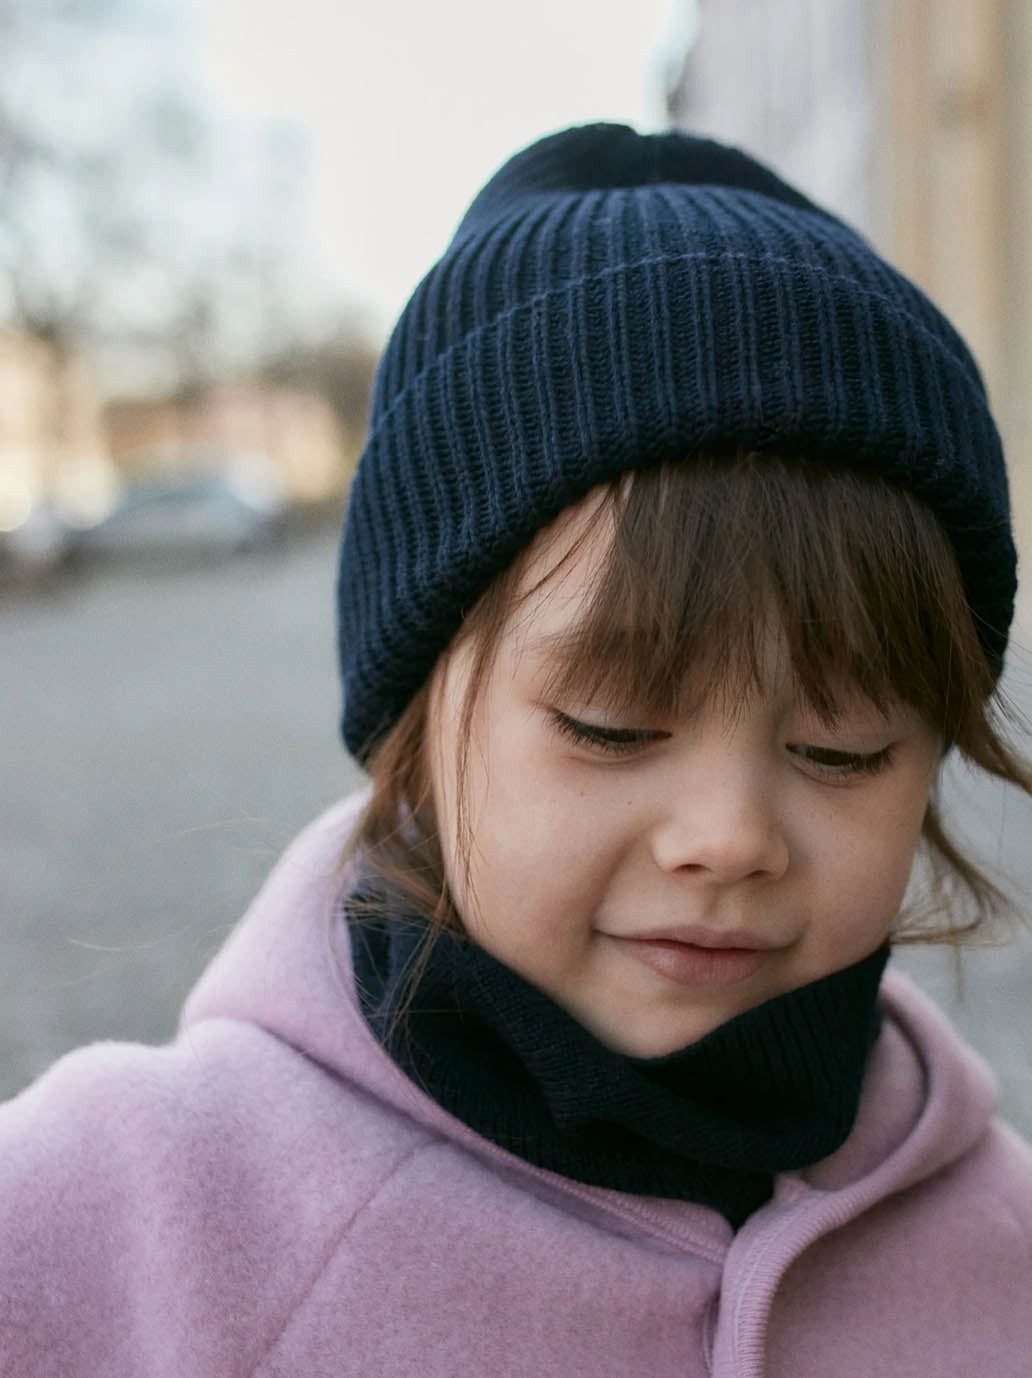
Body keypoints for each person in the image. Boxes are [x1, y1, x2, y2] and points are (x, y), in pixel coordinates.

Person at [2, 123, 1030, 1377]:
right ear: (418, 720)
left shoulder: (1001, 1241)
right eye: (611, 725)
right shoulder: (116, 1219)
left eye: (843, 748)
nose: (729, 837)